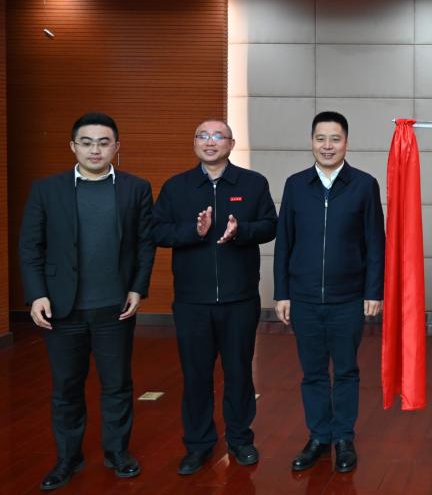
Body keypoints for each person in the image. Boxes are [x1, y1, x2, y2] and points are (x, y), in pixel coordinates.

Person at [19, 112, 155, 490]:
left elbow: (145, 244)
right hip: (62, 309)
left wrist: (137, 288)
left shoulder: (135, 188)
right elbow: (30, 247)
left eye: (103, 142)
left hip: (115, 307)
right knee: (66, 388)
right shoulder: (46, 190)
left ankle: (117, 453)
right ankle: (68, 458)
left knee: (117, 385)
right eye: (87, 142)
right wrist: (37, 294)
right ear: (73, 146)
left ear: (116, 146)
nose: (95, 149)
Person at [152, 119, 277, 475]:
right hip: (192, 302)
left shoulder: (253, 184)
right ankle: (198, 444)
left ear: (231, 143)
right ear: (194, 143)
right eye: (203, 136)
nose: (210, 142)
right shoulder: (177, 187)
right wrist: (193, 231)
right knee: (196, 376)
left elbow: (270, 225)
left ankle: (240, 439)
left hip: (239, 300)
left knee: (239, 372)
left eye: (218, 136)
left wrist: (241, 231)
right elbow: (157, 231)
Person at [274, 111, 385, 473]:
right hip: (303, 297)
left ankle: (343, 439)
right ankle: (319, 437)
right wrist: (282, 292)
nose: (327, 146)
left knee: (347, 370)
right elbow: (284, 242)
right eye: (321, 138)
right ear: (311, 142)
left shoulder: (364, 185)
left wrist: (373, 292)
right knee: (313, 372)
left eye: (335, 139)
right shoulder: (295, 185)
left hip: (348, 298)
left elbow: (375, 242)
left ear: (346, 143)